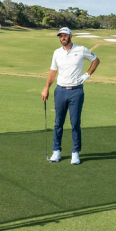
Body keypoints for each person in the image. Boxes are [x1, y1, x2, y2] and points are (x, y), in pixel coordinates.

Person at [41, 27, 100, 165]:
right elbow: (52, 72)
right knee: (58, 123)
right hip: (60, 90)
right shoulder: (56, 53)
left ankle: (75, 153)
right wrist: (46, 88)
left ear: (71, 36)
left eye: (65, 35)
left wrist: (87, 74)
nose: (63, 38)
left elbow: (96, 60)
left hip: (76, 92)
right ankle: (56, 151)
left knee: (75, 124)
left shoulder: (81, 49)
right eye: (60, 36)